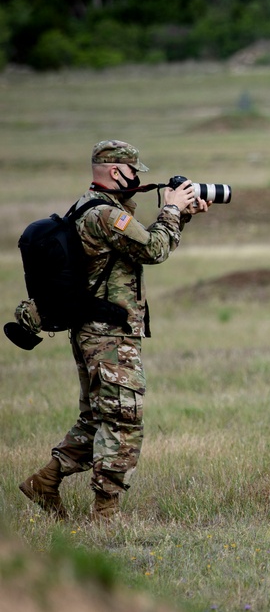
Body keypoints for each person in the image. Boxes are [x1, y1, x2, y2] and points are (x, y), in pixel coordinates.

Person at [17, 140, 209, 521]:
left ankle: (45, 482)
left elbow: (145, 246)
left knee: (99, 418)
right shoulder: (106, 215)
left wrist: (180, 215)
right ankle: (106, 514)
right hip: (108, 334)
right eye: (135, 171)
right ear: (116, 171)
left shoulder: (90, 208)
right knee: (123, 420)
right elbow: (152, 249)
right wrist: (171, 208)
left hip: (96, 330)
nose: (139, 178)